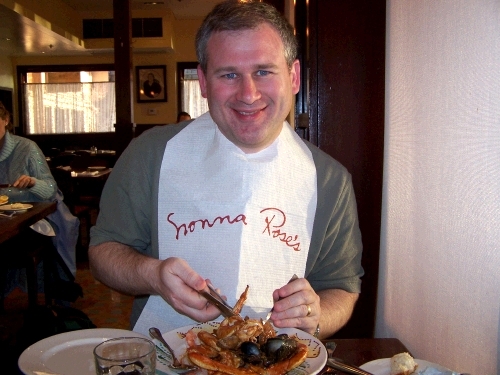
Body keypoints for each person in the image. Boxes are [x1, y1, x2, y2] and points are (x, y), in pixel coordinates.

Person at [89, 0, 363, 339]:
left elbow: (343, 288)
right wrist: (153, 274)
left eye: (263, 71)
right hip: (165, 355)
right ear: (203, 82)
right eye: (229, 74)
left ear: (293, 77)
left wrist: (316, 315)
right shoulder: (150, 153)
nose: (248, 94)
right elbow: (102, 252)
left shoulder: (331, 179)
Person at [0, 102, 79, 293]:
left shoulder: (26, 148)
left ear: (6, 119)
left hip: (33, 223)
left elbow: (51, 189)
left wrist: (33, 182)